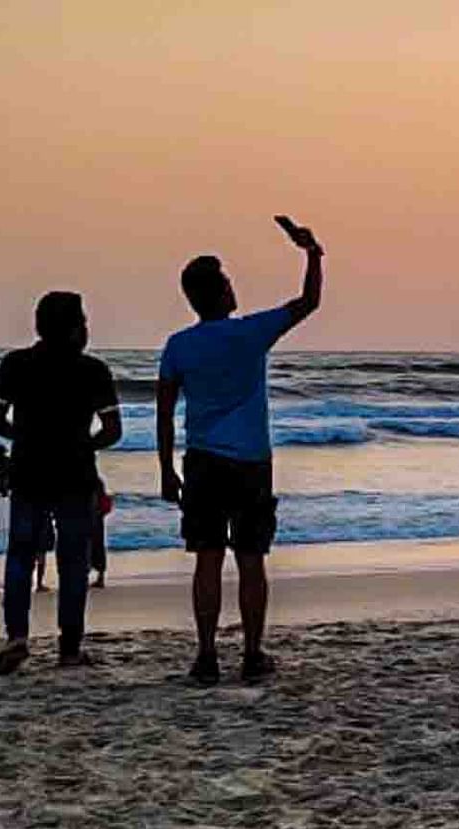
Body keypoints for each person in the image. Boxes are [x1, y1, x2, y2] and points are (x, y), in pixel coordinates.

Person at [157, 217, 324, 686]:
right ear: (219, 293)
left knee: (207, 557)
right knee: (251, 558)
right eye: (228, 283)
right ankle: (252, 653)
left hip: (203, 461)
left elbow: (164, 412)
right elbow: (308, 301)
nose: (234, 289)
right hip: (250, 460)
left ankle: (207, 654)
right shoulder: (251, 332)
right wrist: (312, 253)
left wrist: (166, 469)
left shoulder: (179, 345)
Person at [0, 291, 123, 674]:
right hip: (75, 474)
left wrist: (27, 438)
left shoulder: (15, 364)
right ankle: (70, 647)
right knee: (73, 561)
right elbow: (113, 431)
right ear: (76, 327)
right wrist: (81, 444)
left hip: (28, 469)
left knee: (20, 554)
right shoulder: (93, 370)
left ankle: (16, 637)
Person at [90, 478, 112, 588]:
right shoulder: (97, 481)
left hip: (90, 518)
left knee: (88, 547)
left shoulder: (95, 482)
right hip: (97, 518)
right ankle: (100, 577)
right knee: (98, 546)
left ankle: (97, 577)